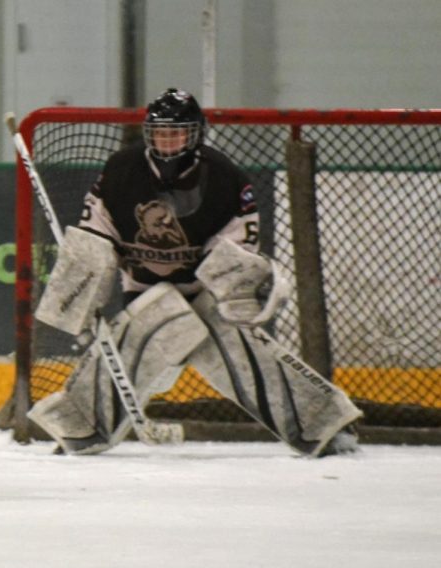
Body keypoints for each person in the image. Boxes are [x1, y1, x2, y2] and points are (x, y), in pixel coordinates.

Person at [28, 88, 362, 457]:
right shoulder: (122, 170)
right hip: (144, 288)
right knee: (153, 316)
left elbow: (237, 253)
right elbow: (97, 232)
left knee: (237, 346)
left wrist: (238, 291)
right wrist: (85, 284)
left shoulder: (224, 179)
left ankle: (322, 424)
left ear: (196, 135)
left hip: (201, 291)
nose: (167, 142)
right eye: (159, 133)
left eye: (177, 133)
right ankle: (83, 425)